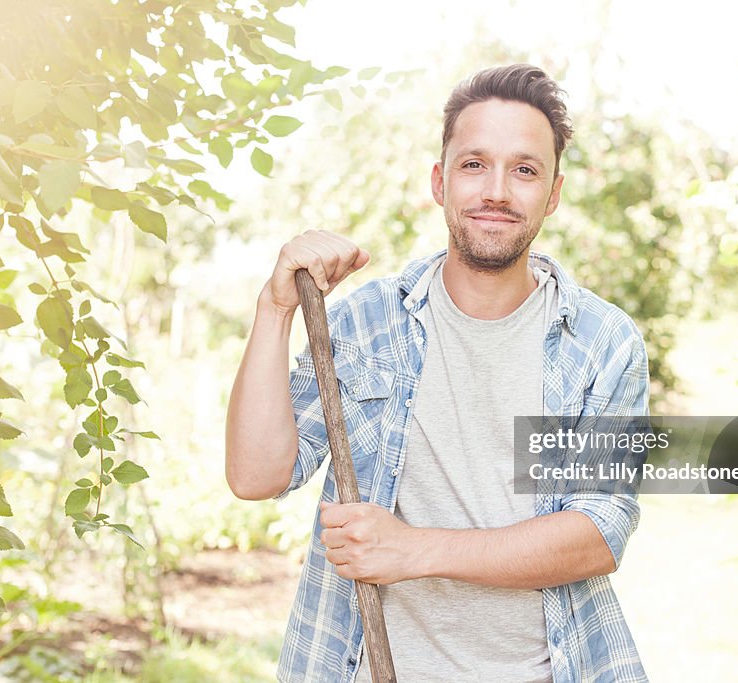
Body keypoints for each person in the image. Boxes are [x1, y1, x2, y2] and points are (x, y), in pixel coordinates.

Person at [225, 64, 650, 683]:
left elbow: (597, 534)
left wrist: (414, 549)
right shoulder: (366, 324)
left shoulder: (601, 343)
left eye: (524, 169)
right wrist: (276, 309)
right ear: (440, 180)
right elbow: (256, 474)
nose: (497, 191)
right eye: (474, 164)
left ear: (553, 193)